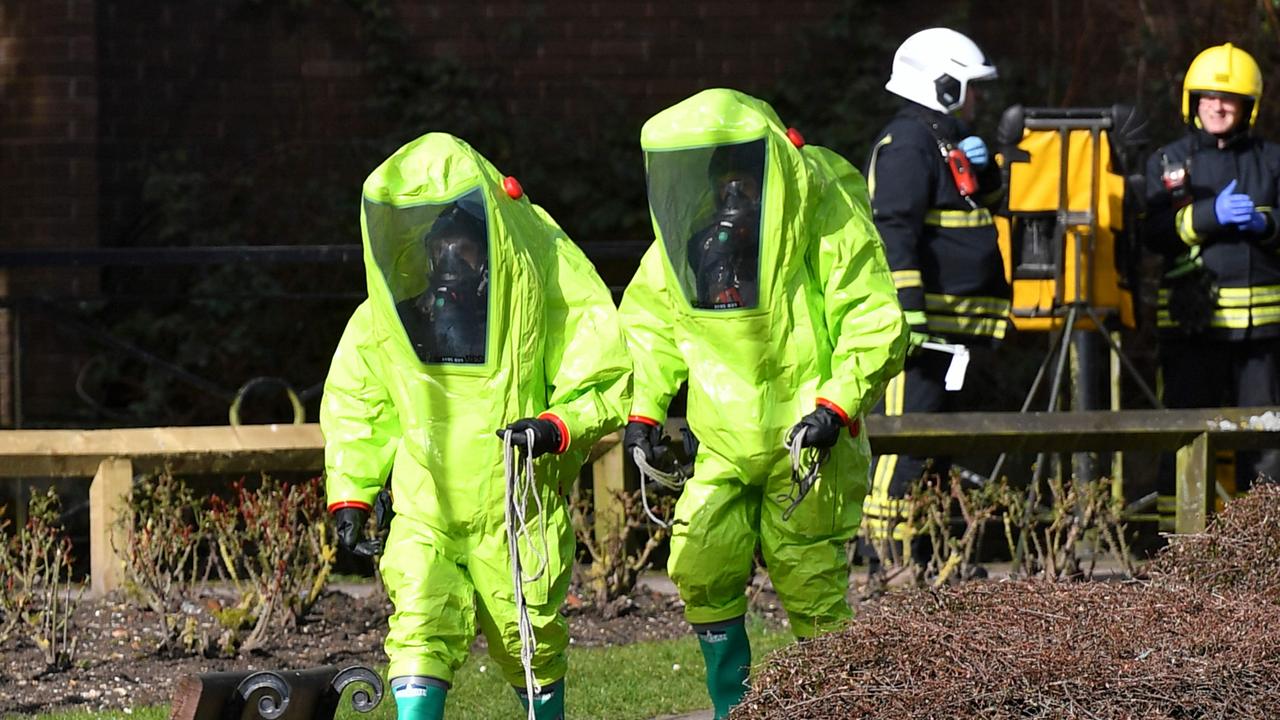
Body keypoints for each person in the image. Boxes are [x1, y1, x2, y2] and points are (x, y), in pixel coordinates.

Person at [619, 88, 908, 719]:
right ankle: (735, 708)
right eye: (722, 181)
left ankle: (831, 708)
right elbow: (651, 324)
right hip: (722, 437)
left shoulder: (820, 214)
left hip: (807, 440)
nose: (732, 198)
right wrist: (643, 412)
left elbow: (874, 320)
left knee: (810, 583)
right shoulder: (691, 238)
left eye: (743, 182)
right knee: (701, 561)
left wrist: (835, 405)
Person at [322, 132, 631, 720]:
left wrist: (554, 426)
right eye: (441, 251)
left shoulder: (537, 287)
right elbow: (358, 402)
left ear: (491, 251)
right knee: (418, 620)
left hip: (514, 506)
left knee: (529, 637)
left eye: (464, 252)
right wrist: (350, 494)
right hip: (425, 507)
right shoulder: (391, 318)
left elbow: (601, 372)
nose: (448, 267)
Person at [861, 27, 1010, 576]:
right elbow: (892, 231)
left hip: (956, 333)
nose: (981, 101)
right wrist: (909, 314)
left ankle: (937, 559)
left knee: (940, 448)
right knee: (906, 443)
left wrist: (986, 169)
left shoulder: (943, 141)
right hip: (923, 334)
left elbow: (983, 202)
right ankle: (888, 562)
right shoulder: (908, 145)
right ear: (944, 86)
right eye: (973, 89)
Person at [1143, 43, 1280, 531]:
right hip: (1190, 328)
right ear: (1191, 102)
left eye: (1230, 99)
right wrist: (1204, 216)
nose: (1218, 106)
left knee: (1264, 444)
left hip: (1260, 335)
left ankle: (1261, 553)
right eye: (1208, 98)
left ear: (1249, 106)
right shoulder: (1166, 161)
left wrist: (1268, 225)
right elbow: (1151, 232)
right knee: (1183, 437)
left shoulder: (1272, 161)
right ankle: (1175, 551)